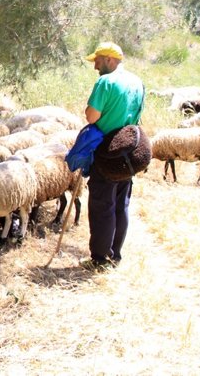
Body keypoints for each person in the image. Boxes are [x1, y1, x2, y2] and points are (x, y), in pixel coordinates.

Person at [82, 42, 144, 270]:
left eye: (97, 61)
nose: (95, 66)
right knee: (121, 203)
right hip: (129, 151)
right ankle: (114, 255)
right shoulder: (137, 82)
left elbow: (91, 116)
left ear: (109, 59)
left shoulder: (105, 82)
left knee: (101, 205)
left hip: (108, 151)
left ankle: (99, 258)